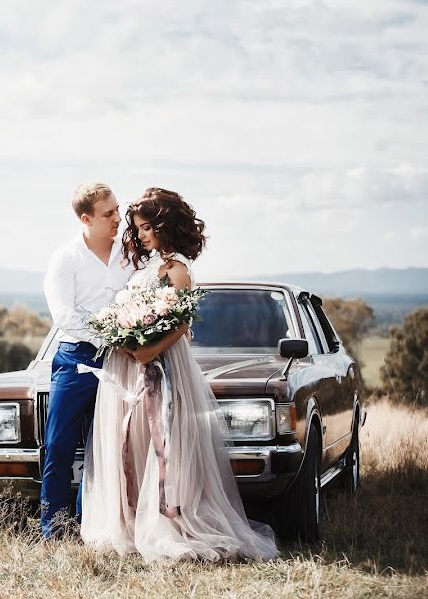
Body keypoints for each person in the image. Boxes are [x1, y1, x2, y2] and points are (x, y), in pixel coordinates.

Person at [80, 187, 279, 562]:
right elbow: (130, 309)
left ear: (162, 225)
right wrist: (122, 337)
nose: (138, 235)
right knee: (134, 442)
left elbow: (180, 323)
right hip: (127, 367)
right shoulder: (141, 268)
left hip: (162, 369)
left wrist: (147, 351)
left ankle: (168, 521)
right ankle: (131, 520)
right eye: (136, 228)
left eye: (144, 228)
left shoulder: (177, 271)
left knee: (164, 442)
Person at [41, 182, 134, 539]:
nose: (117, 218)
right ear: (86, 219)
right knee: (60, 445)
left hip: (121, 362)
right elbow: (64, 315)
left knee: (106, 446)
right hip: (74, 358)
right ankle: (54, 528)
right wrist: (113, 333)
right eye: (108, 213)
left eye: (117, 210)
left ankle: (91, 524)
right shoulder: (66, 259)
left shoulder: (128, 256)